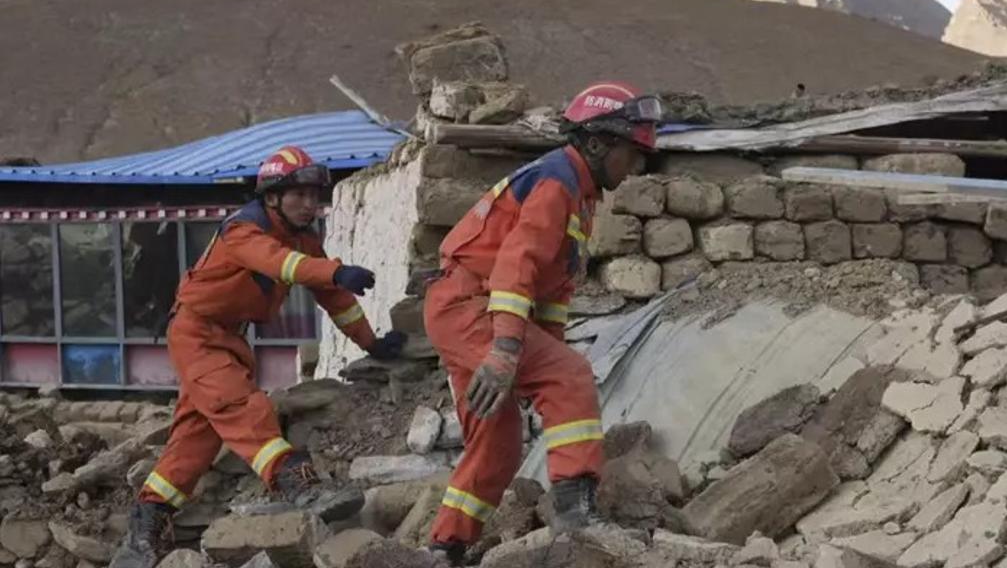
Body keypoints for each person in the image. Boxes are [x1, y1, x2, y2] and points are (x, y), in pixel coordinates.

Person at [110, 146, 407, 568]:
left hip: (229, 337)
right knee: (242, 406)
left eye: (313, 195)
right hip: (197, 334)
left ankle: (145, 531)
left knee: (194, 439)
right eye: (298, 195)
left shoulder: (303, 239)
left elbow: (336, 299)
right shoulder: (244, 231)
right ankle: (297, 482)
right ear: (272, 197)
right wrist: (334, 269)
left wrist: (371, 344)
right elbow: (281, 264)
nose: (309, 204)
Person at [423, 82, 662, 563]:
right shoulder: (558, 182)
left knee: (499, 444)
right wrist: (509, 351)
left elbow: (552, 291)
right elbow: (516, 266)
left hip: (468, 306)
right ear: (596, 142)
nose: (636, 167)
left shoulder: (579, 193)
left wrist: (539, 354)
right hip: (472, 305)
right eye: (632, 153)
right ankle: (575, 510)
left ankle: (443, 548)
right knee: (570, 374)